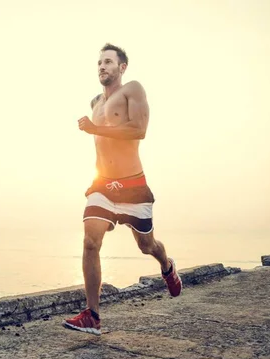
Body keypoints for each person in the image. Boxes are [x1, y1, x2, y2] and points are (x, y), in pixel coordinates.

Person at [63, 43, 182, 336]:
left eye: (108, 62)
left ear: (122, 67)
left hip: (133, 185)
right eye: (99, 63)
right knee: (90, 240)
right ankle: (92, 315)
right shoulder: (95, 102)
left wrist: (95, 128)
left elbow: (138, 130)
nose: (102, 67)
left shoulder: (133, 89)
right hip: (103, 183)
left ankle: (166, 265)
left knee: (146, 246)